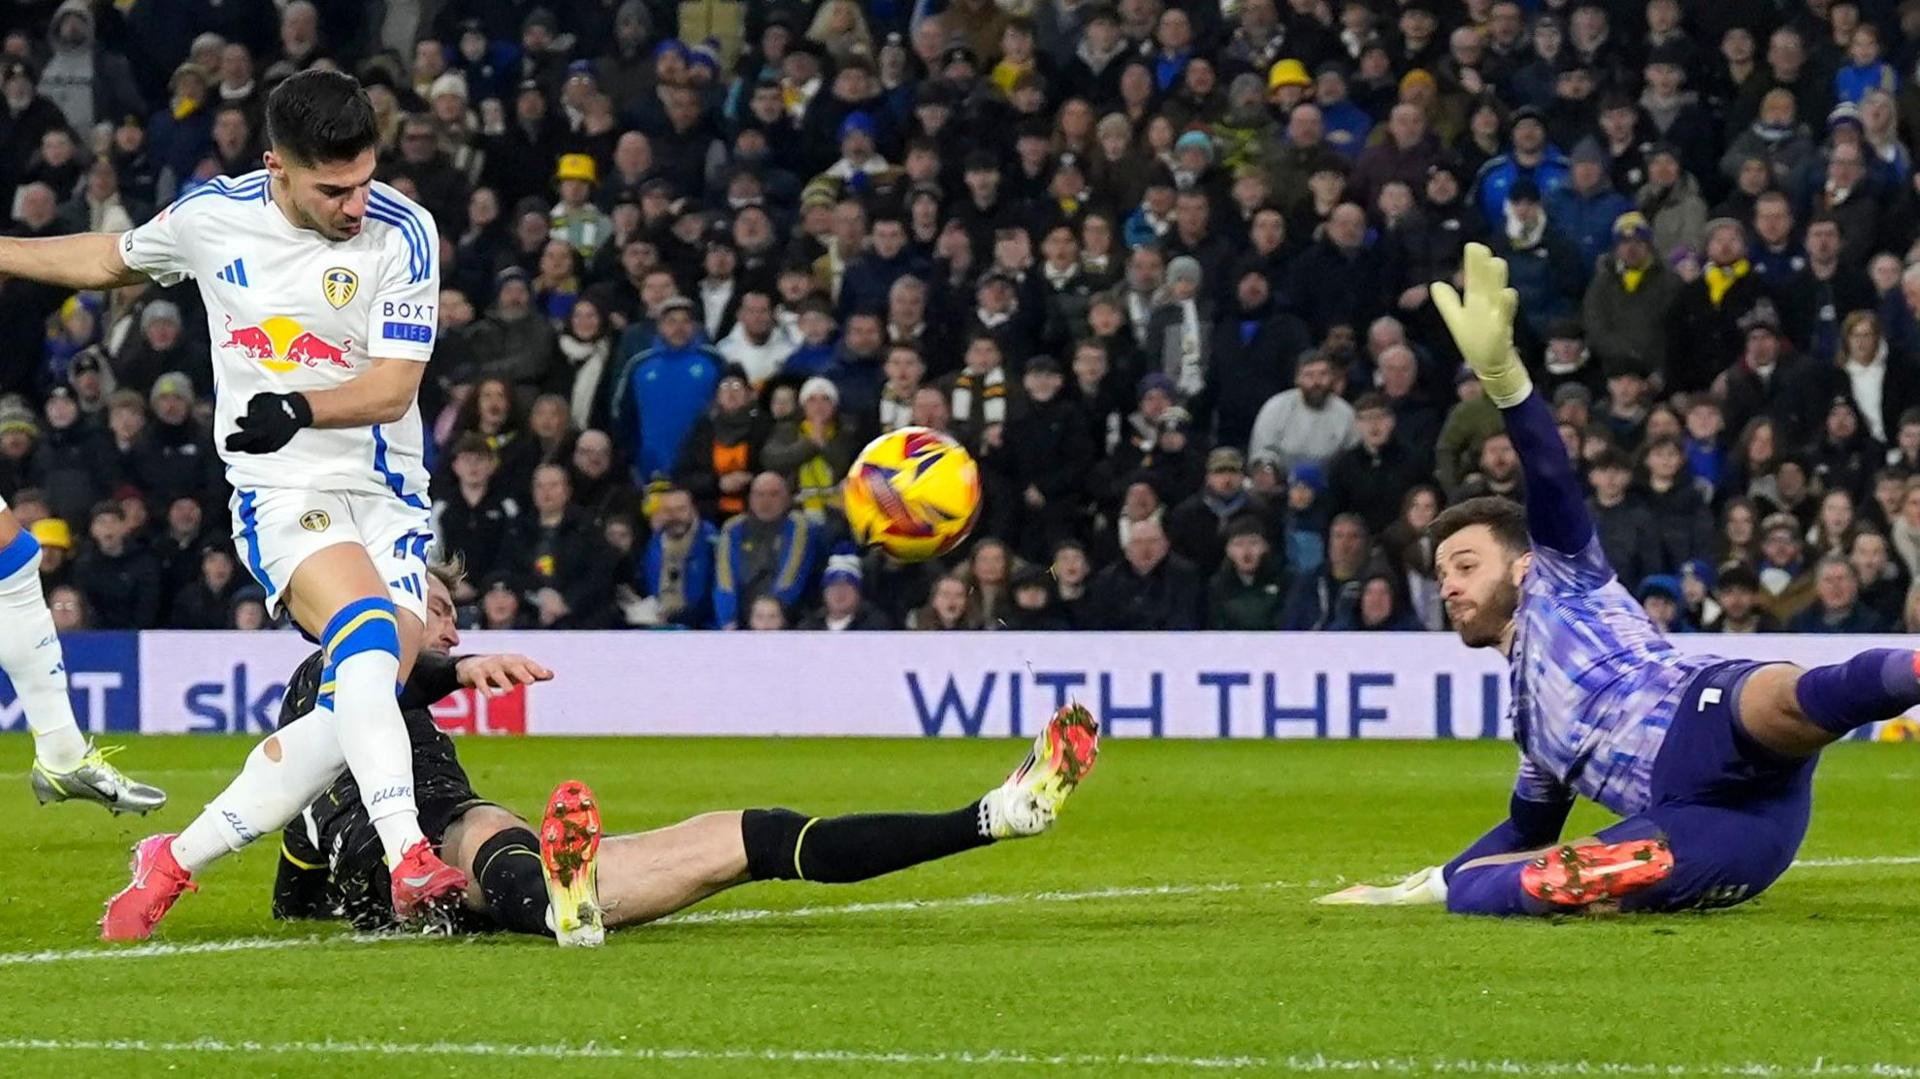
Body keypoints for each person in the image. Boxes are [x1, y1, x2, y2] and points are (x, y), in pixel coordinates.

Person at [0, 70, 468, 937]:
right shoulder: (214, 217)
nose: (356, 202)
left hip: (393, 497)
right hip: (285, 489)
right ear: (276, 169)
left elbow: (396, 389)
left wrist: (296, 405)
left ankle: (172, 859)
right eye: (333, 188)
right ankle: (410, 855)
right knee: (364, 635)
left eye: (365, 179)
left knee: (349, 708)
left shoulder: (406, 230)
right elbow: (107, 260)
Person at [1323, 245, 1920, 916]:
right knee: (1499, 890)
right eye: (1443, 575)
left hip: (1703, 720)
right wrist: (1432, 883)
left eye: (1466, 565)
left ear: (1523, 564)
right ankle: (1605, 876)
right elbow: (1527, 828)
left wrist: (1506, 381)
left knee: (1790, 699)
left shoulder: (1564, 578)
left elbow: (1549, 475)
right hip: (1737, 831)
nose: (1452, 586)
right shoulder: (1530, 723)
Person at [271, 562, 1101, 943]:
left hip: (467, 873)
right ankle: (553, 895)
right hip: (430, 854)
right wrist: (454, 667)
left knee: (755, 835)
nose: (451, 625)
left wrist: (304, 899)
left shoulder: (322, 725)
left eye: (454, 616)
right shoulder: (341, 666)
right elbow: (397, 676)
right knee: (479, 829)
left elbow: (296, 860)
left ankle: (987, 818)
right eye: (437, 607)